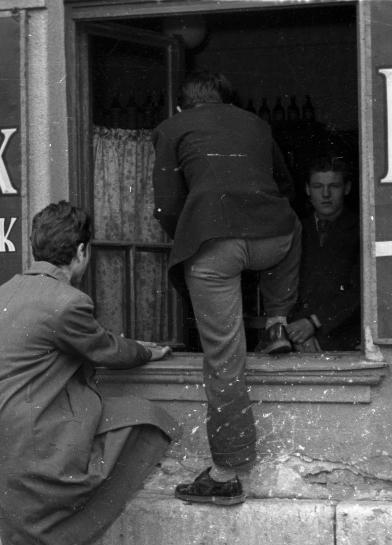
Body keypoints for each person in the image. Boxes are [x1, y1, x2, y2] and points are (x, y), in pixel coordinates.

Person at [0, 201, 179, 545]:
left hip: (7, 451)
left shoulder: (9, 289)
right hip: (36, 454)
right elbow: (107, 350)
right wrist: (148, 352)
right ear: (83, 252)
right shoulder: (68, 302)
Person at [152, 70, 300, 506]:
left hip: (214, 246)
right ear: (228, 100)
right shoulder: (256, 124)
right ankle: (276, 321)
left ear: (183, 106)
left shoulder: (172, 127)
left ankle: (226, 472)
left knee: (224, 359)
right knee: (291, 224)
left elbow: (166, 205)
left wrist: (192, 232)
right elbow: (287, 187)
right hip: (272, 242)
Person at [286, 156, 360, 352]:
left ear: (347, 188)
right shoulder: (296, 228)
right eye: (318, 186)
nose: (326, 194)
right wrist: (297, 332)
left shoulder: (361, 229)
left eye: (334, 186)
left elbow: (361, 291)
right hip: (296, 336)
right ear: (308, 189)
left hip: (341, 337)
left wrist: (314, 322)